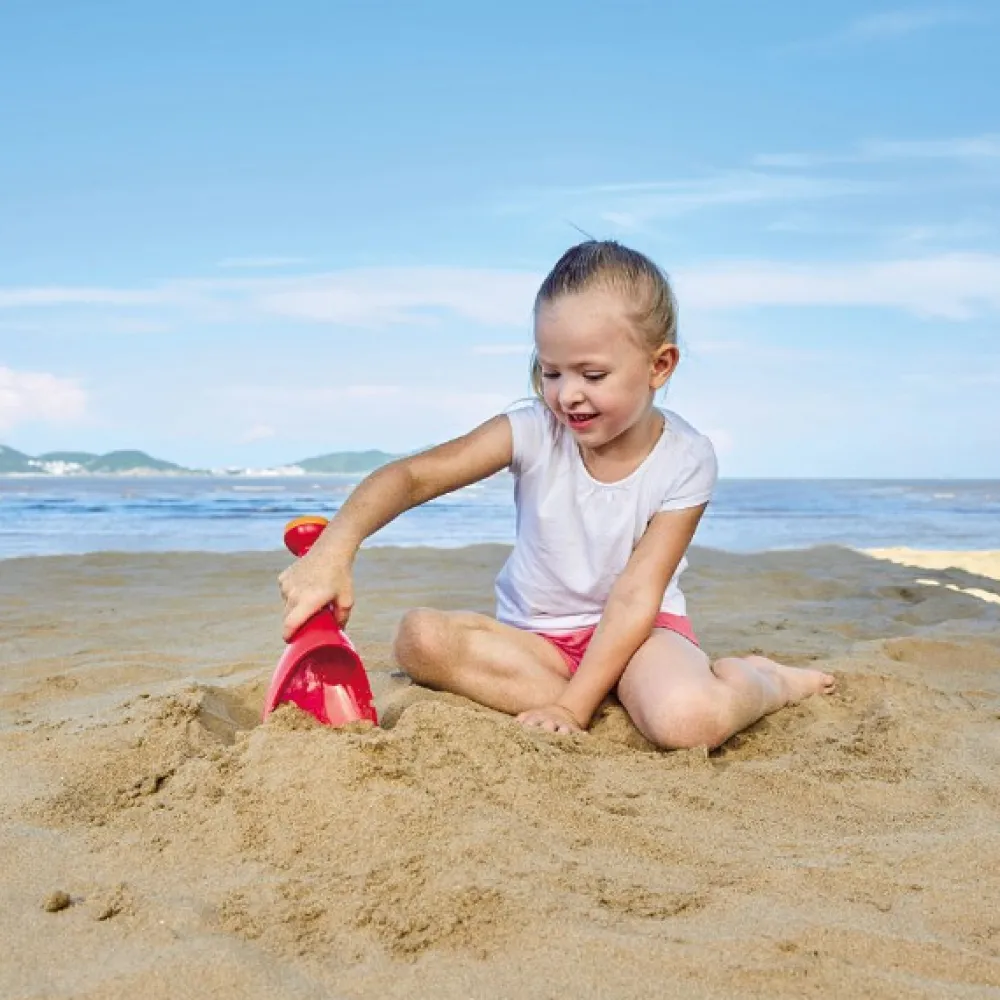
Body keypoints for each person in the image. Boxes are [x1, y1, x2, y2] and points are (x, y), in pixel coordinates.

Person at [279, 241, 835, 749]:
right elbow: (413, 477)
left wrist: (571, 706)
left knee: (688, 722)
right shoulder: (531, 429)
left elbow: (636, 595)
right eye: (551, 373)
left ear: (658, 365)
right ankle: (614, 695)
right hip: (540, 645)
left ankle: (765, 681)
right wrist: (335, 546)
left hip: (642, 636)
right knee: (419, 639)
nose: (568, 395)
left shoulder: (686, 457)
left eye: (593, 375)